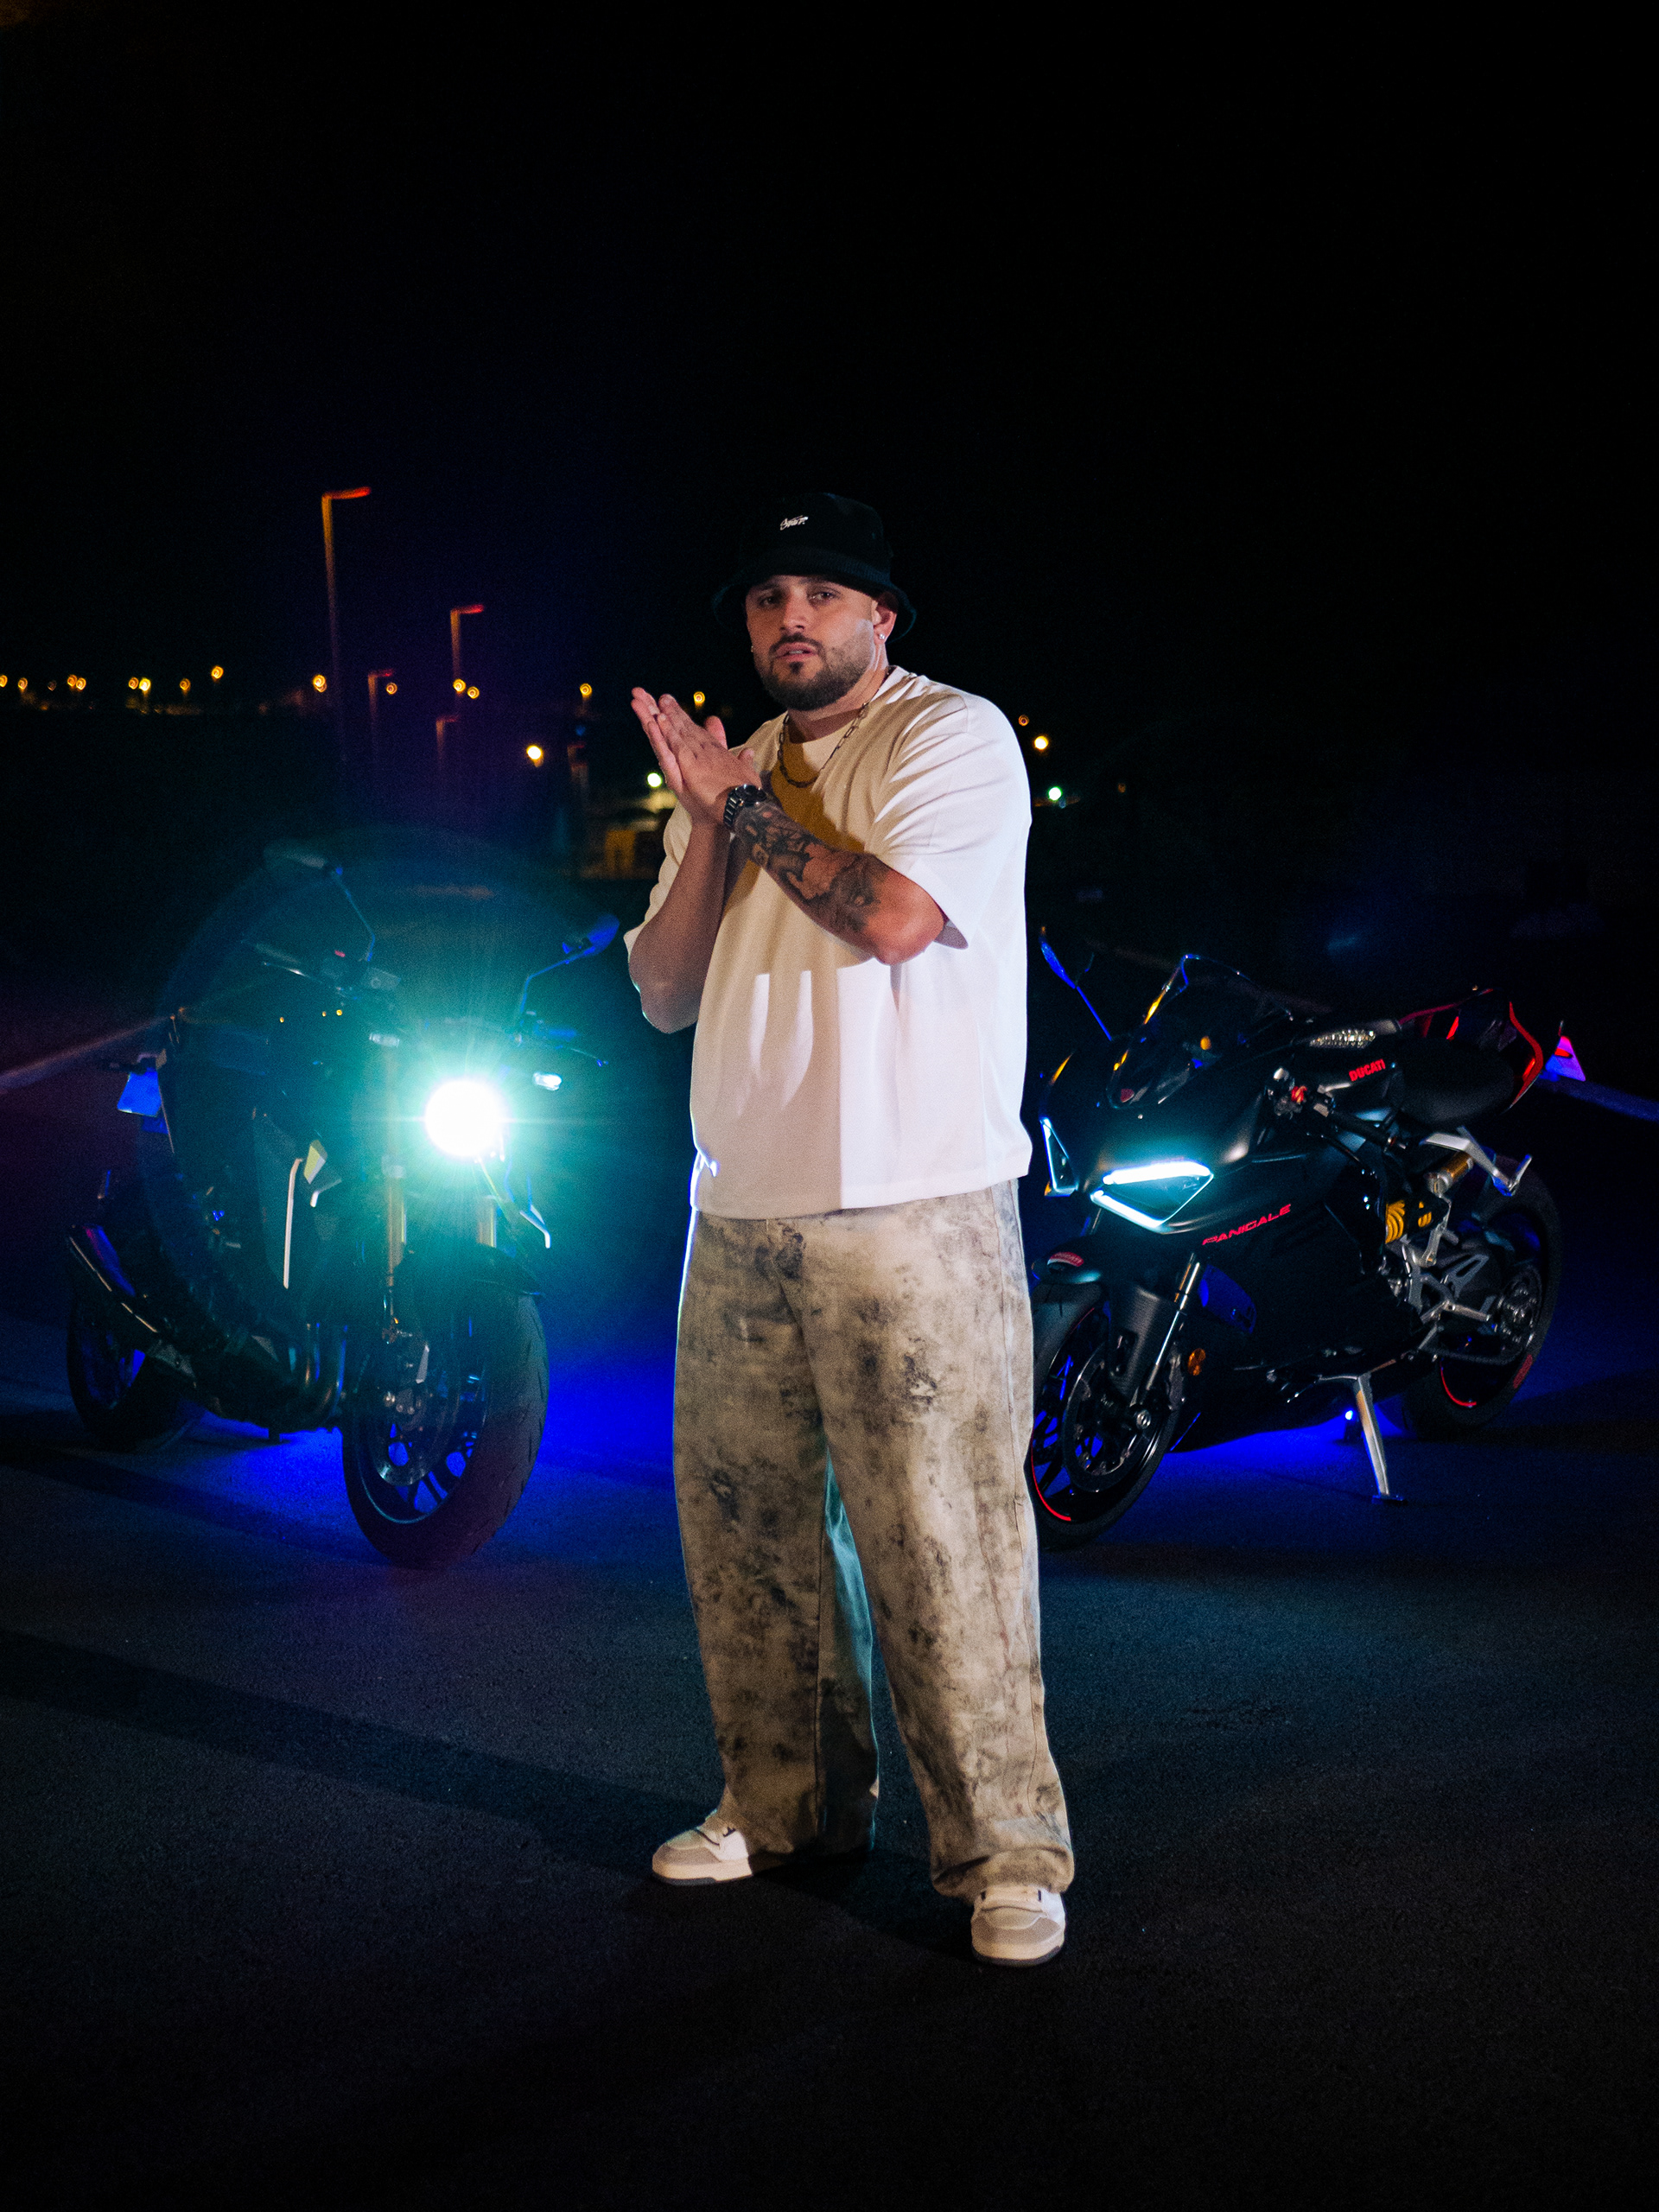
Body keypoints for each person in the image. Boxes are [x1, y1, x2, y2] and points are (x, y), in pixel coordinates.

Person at [625, 493, 1071, 1966]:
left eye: (821, 595)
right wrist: (711, 824)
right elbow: (665, 990)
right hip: (740, 1203)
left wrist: (746, 810)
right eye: (768, 599)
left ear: (883, 616)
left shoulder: (952, 737)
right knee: (750, 1542)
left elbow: (890, 919)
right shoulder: (734, 772)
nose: (791, 620)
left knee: (944, 1544)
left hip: (913, 1204)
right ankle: (787, 1808)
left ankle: (1007, 1854)